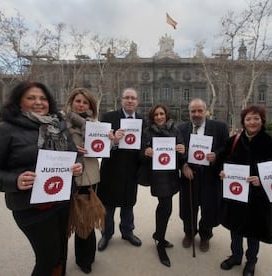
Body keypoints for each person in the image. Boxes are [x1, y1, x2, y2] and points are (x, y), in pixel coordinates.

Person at [0, 81, 83, 276]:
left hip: (62, 202)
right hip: (32, 209)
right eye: (31, 98)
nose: (38, 102)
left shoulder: (59, 127)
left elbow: (75, 155)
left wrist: (78, 166)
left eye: (43, 98)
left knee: (61, 255)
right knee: (47, 258)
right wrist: (14, 180)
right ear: (18, 102)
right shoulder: (2, 131)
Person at [218, 105, 272, 276]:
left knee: (254, 233)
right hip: (236, 195)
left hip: (258, 198)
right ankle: (236, 256)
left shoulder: (271, 144)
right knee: (235, 229)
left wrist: (263, 181)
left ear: (262, 121)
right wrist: (221, 172)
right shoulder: (234, 141)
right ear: (243, 122)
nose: (252, 122)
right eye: (248, 119)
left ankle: (251, 261)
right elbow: (221, 160)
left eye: (256, 118)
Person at [63, 88, 111, 274]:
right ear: (72, 102)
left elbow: (104, 149)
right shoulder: (59, 123)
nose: (81, 105)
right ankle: (59, 259)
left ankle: (85, 258)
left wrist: (111, 140)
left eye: (85, 102)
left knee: (86, 221)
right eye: (78, 101)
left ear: (90, 106)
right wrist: (71, 148)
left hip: (88, 178)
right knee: (64, 221)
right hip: (64, 177)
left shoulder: (96, 126)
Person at [97, 87, 145, 251]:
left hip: (131, 170)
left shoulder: (141, 120)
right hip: (111, 169)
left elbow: (144, 145)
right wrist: (114, 141)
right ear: (121, 100)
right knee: (107, 206)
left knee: (128, 204)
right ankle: (106, 233)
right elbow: (99, 145)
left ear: (137, 101)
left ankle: (127, 231)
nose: (130, 101)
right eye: (127, 98)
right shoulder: (108, 117)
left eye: (133, 98)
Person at [178, 98, 229, 252]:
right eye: (193, 111)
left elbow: (226, 148)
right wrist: (183, 165)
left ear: (206, 111)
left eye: (200, 110)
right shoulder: (182, 128)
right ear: (189, 113)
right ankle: (189, 233)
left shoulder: (220, 127)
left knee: (209, 209)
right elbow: (178, 152)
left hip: (210, 177)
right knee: (188, 208)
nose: (197, 114)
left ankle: (205, 236)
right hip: (189, 176)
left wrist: (216, 155)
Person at [141, 104, 185, 267]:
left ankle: (158, 235)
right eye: (156, 115)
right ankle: (160, 242)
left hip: (172, 174)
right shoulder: (147, 131)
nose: (159, 117)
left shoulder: (175, 130)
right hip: (158, 176)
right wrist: (146, 152)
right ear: (152, 117)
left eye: (161, 114)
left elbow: (182, 154)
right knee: (165, 206)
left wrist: (182, 150)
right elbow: (140, 154)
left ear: (166, 115)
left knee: (165, 206)